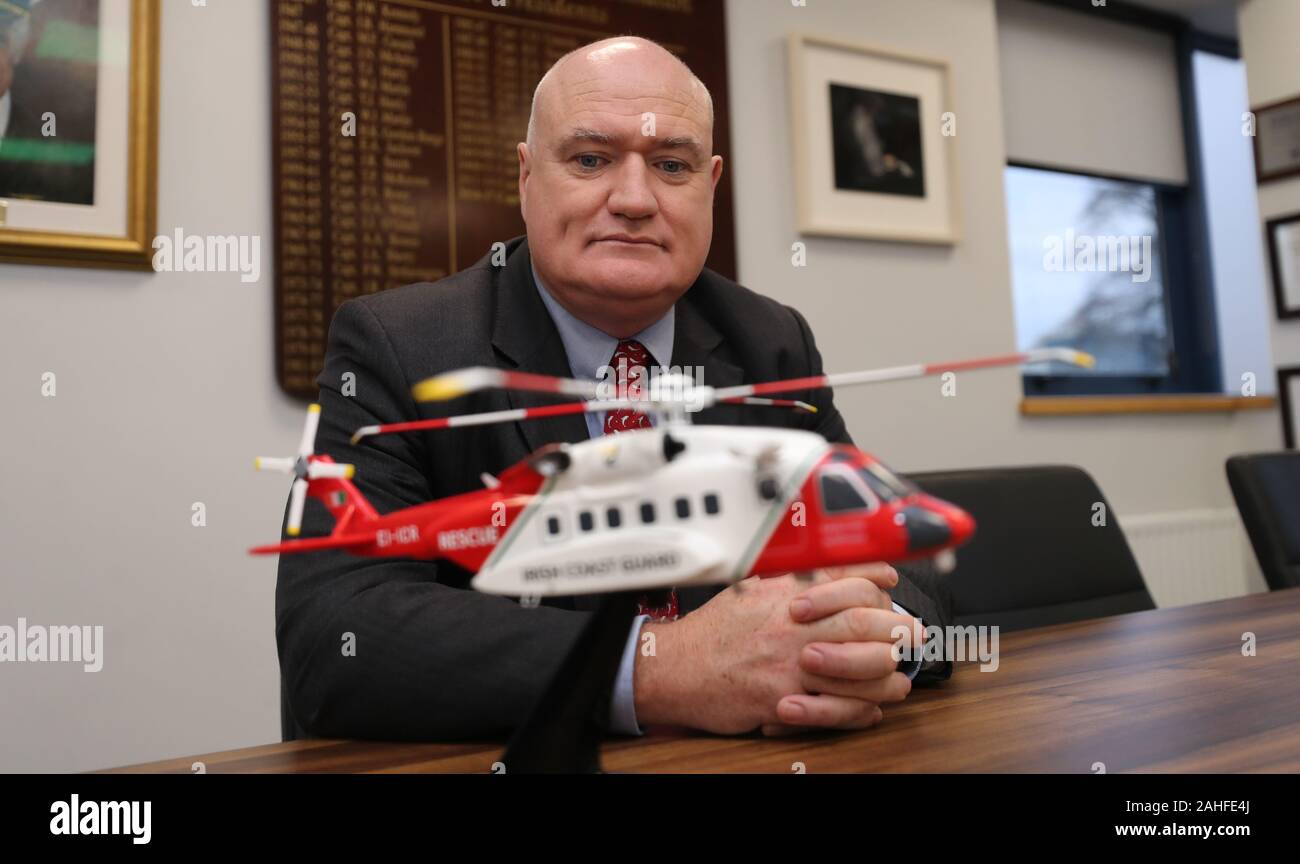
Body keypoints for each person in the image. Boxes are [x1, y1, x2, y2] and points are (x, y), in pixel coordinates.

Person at [276, 36, 952, 743]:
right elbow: (334, 636)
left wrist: (853, 635)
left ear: (711, 183)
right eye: (591, 159)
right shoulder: (398, 346)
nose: (634, 200)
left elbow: (908, 558)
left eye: (671, 166)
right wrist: (661, 668)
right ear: (526, 176)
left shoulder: (770, 344)